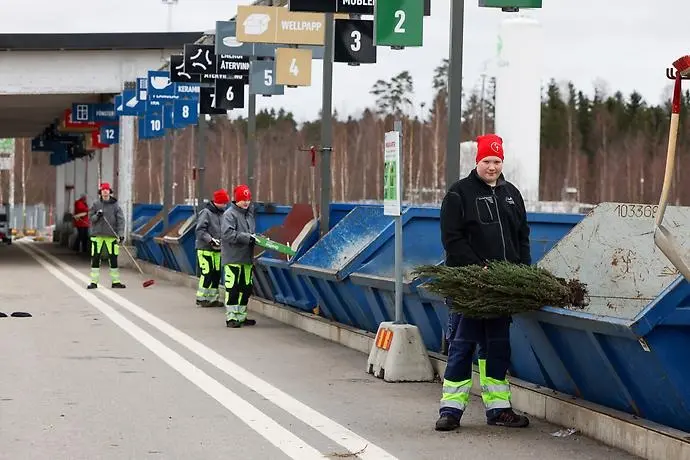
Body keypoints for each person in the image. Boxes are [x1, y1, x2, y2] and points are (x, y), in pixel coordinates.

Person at [435, 134, 531, 431]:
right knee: (462, 345)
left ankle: (498, 409)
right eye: (487, 161)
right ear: (477, 161)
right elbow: (452, 239)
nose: (492, 167)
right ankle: (451, 410)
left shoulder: (511, 194)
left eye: (497, 161)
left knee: (497, 348)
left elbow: (522, 237)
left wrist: (522, 274)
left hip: (501, 289)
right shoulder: (459, 194)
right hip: (470, 286)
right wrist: (479, 268)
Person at [220, 184, 257, 328]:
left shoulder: (249, 214)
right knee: (233, 287)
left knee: (246, 287)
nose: (246, 202)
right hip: (233, 257)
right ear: (237, 200)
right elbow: (228, 234)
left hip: (246, 258)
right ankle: (231, 317)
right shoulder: (229, 214)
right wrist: (248, 238)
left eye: (248, 199)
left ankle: (241, 316)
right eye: (243, 200)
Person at [195, 189, 230, 307]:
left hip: (217, 249)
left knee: (216, 273)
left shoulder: (222, 214)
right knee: (207, 272)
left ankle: (212, 298)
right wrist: (210, 239)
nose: (225, 205)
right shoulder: (206, 213)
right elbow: (200, 230)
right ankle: (201, 297)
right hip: (205, 249)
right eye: (224, 203)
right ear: (217, 202)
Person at [87, 182, 126, 289]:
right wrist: (97, 215)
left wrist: (121, 234)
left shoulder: (115, 205)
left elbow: (121, 220)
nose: (105, 191)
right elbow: (91, 219)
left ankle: (116, 281)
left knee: (113, 258)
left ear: (110, 191)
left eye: (107, 190)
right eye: (103, 190)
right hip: (97, 236)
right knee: (96, 258)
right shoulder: (95, 204)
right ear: (100, 192)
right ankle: (93, 282)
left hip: (111, 236)